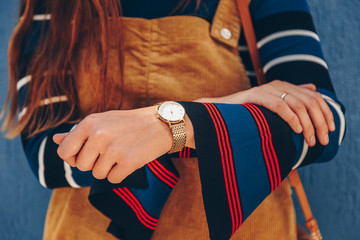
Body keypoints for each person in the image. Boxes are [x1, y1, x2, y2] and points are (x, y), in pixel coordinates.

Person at [2, 0, 345, 239]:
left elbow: (324, 124)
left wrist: (169, 127)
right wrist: (222, 108)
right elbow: (48, 156)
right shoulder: (57, 5)